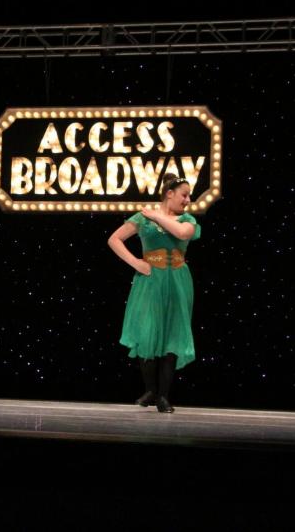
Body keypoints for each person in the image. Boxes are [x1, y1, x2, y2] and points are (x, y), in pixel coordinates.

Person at [108, 174, 201, 413]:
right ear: (169, 194)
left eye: (189, 196)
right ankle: (150, 389)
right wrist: (135, 263)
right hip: (150, 280)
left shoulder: (187, 219)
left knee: (172, 333)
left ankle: (163, 396)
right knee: (147, 329)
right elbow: (114, 239)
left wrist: (158, 215)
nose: (188, 200)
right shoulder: (143, 218)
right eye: (184, 195)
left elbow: (182, 234)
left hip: (177, 280)